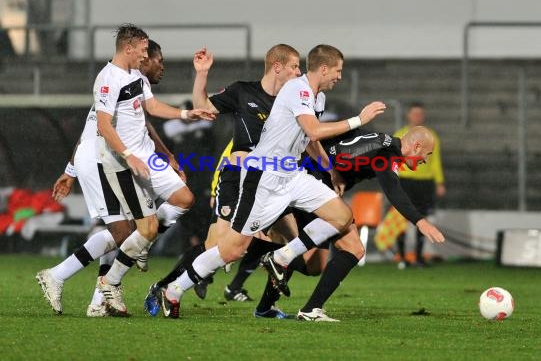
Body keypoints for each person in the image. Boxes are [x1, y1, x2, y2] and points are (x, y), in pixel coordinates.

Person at [156, 45, 440, 320]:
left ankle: (280, 259)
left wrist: (331, 172)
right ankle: (173, 290)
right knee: (231, 249)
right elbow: (313, 129)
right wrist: (358, 119)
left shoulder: (318, 98)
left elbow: (310, 140)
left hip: (292, 175)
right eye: (337, 71)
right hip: (263, 176)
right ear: (324, 68)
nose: (339, 77)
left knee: (341, 215)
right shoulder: (297, 88)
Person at [142, 44, 304, 316]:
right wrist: (202, 74)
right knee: (220, 246)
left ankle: (264, 306)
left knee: (289, 242)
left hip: (274, 180)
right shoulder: (243, 91)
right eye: (295, 66)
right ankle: (165, 286)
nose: (300, 72)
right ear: (278, 66)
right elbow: (203, 107)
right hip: (238, 178)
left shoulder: (295, 100)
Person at [35, 39, 190, 317]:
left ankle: (97, 299)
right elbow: (94, 130)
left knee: (135, 229)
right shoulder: (116, 81)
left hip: (114, 159)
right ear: (143, 60)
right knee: (125, 233)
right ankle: (64, 277)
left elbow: (140, 122)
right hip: (99, 162)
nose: (162, 66)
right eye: (158, 59)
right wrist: (71, 171)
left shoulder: (131, 85)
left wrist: (165, 155)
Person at [244, 127, 447, 321]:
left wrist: (328, 165)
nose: (426, 160)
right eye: (428, 154)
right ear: (417, 146)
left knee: (314, 266)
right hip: (313, 187)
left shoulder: (378, 139)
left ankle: (265, 304)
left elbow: (339, 137)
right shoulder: (387, 155)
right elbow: (394, 191)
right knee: (354, 248)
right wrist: (421, 222)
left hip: (307, 178)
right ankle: (309, 307)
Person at [93, 24, 214, 316]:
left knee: (184, 198)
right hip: (122, 162)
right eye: (144, 50)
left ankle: (140, 242)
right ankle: (111, 281)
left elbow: (153, 107)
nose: (146, 55)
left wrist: (187, 113)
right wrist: (128, 155)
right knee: (146, 228)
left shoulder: (136, 75)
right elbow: (103, 125)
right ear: (129, 48)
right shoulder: (107, 79)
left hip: (148, 156)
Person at [394, 102, 445, 268]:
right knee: (401, 218)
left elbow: (436, 161)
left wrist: (439, 182)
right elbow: (392, 160)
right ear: (408, 115)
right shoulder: (400, 135)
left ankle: (419, 256)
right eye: (414, 114)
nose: (417, 117)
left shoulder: (431, 136)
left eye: (420, 114)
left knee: (422, 218)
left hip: (425, 182)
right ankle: (401, 257)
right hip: (405, 180)